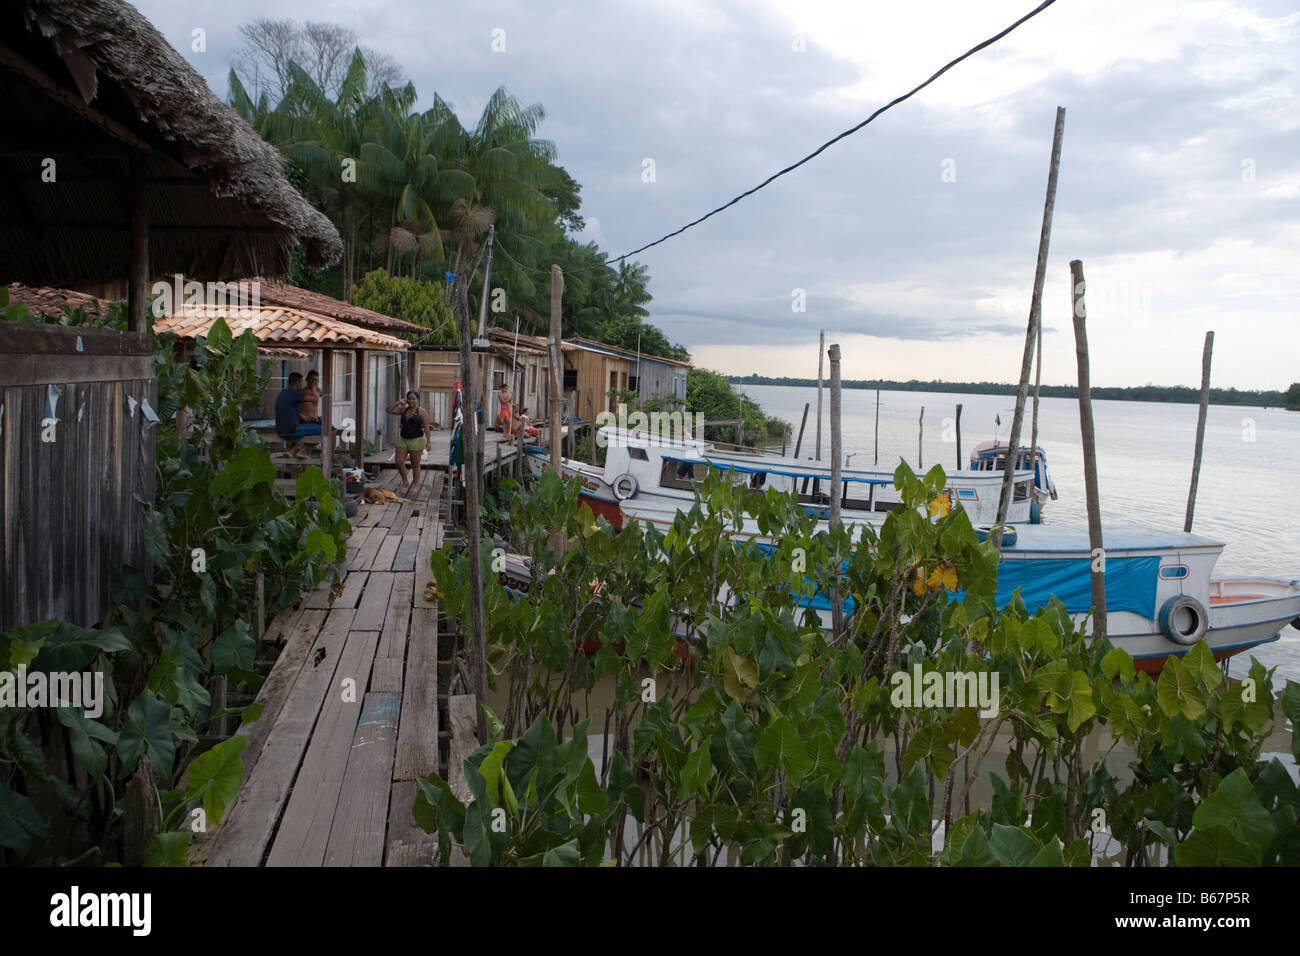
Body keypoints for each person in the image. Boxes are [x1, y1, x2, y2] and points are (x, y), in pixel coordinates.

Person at [387, 390, 431, 490]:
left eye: (413, 399)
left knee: (415, 464)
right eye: (409, 399)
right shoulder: (403, 410)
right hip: (403, 439)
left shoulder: (422, 412)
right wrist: (398, 402)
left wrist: (428, 442)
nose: (411, 401)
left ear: (418, 399)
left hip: (417, 440)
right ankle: (405, 481)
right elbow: (389, 410)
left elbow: (427, 427)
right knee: (398, 461)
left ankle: (415, 485)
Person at [275, 372, 319, 457]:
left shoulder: (282, 394)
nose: (302, 385)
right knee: (323, 430)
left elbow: (287, 412)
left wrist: (300, 417)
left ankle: (292, 452)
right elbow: (315, 399)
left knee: (308, 430)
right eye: (301, 383)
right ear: (298, 382)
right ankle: (303, 450)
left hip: (280, 430)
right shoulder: (296, 394)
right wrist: (314, 386)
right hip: (291, 431)